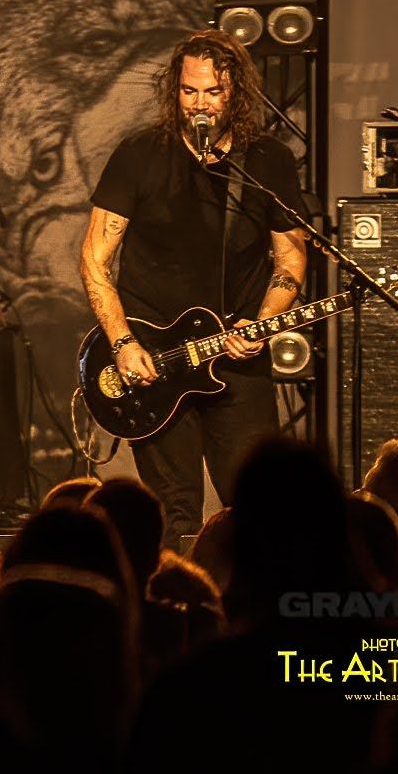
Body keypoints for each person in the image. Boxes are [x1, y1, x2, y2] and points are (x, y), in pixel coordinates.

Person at [79, 29, 308, 547]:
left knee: (257, 511)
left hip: (236, 357)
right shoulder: (140, 155)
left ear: (236, 93)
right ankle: (172, 594)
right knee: (172, 514)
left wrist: (262, 322)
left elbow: (291, 255)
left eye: (212, 92)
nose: (199, 104)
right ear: (174, 90)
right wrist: (122, 342)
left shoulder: (265, 161)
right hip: (155, 361)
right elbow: (95, 258)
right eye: (189, 91)